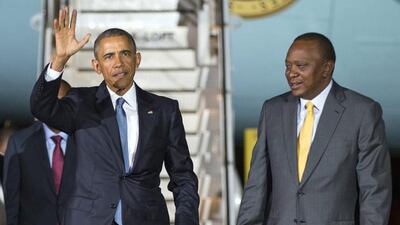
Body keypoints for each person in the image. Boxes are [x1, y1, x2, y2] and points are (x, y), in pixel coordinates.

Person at [30, 7, 199, 225]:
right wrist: (59, 60)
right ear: (97, 66)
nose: (118, 63)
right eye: (109, 56)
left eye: (125, 54)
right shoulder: (81, 103)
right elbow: (40, 107)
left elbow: (183, 176)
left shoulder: (164, 110)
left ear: (137, 59)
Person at [236, 32, 392, 225]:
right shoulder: (272, 110)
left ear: (326, 68)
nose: (291, 73)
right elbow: (256, 186)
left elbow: (374, 190)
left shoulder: (362, 112)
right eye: (288, 65)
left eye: (301, 66)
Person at [3, 80, 76, 225]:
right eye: (51, 101)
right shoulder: (20, 143)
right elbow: (12, 200)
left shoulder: (87, 141)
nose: (56, 107)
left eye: (63, 101)